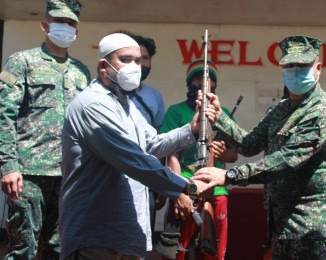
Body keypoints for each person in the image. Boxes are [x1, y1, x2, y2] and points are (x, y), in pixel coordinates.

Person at [59, 33, 214, 260]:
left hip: (126, 231)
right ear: (104, 65)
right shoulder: (92, 105)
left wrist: (192, 129)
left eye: (138, 60)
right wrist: (184, 187)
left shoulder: (125, 104)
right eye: (126, 59)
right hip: (96, 232)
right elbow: (132, 159)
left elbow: (151, 144)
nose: (135, 67)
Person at [193, 35, 326, 259]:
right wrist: (219, 116)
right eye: (289, 65)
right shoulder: (281, 109)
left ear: (318, 68)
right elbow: (250, 144)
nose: (295, 71)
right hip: (281, 224)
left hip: (312, 227)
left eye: (302, 66)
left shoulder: (322, 112)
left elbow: (285, 161)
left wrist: (230, 175)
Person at [0, 0, 90, 259]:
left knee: (59, 246)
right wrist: (9, 166)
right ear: (45, 25)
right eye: (60, 22)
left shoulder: (81, 72)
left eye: (71, 23)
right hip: (28, 172)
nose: (66, 28)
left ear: (77, 30)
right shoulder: (22, 62)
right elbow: (5, 115)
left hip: (69, 173)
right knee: (23, 246)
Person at [160, 58, 237, 260]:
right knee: (177, 249)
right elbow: (170, 154)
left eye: (207, 80)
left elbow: (233, 154)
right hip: (186, 185)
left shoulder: (224, 114)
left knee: (214, 249)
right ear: (189, 83)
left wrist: (220, 152)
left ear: (214, 85)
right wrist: (178, 189)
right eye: (196, 79)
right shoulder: (176, 112)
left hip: (217, 190)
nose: (201, 84)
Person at [128, 34, 166, 236]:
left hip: (146, 175)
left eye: (145, 58)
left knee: (144, 234)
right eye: (135, 58)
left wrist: (159, 179)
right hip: (115, 173)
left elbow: (159, 140)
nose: (141, 63)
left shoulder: (155, 96)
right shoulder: (102, 93)